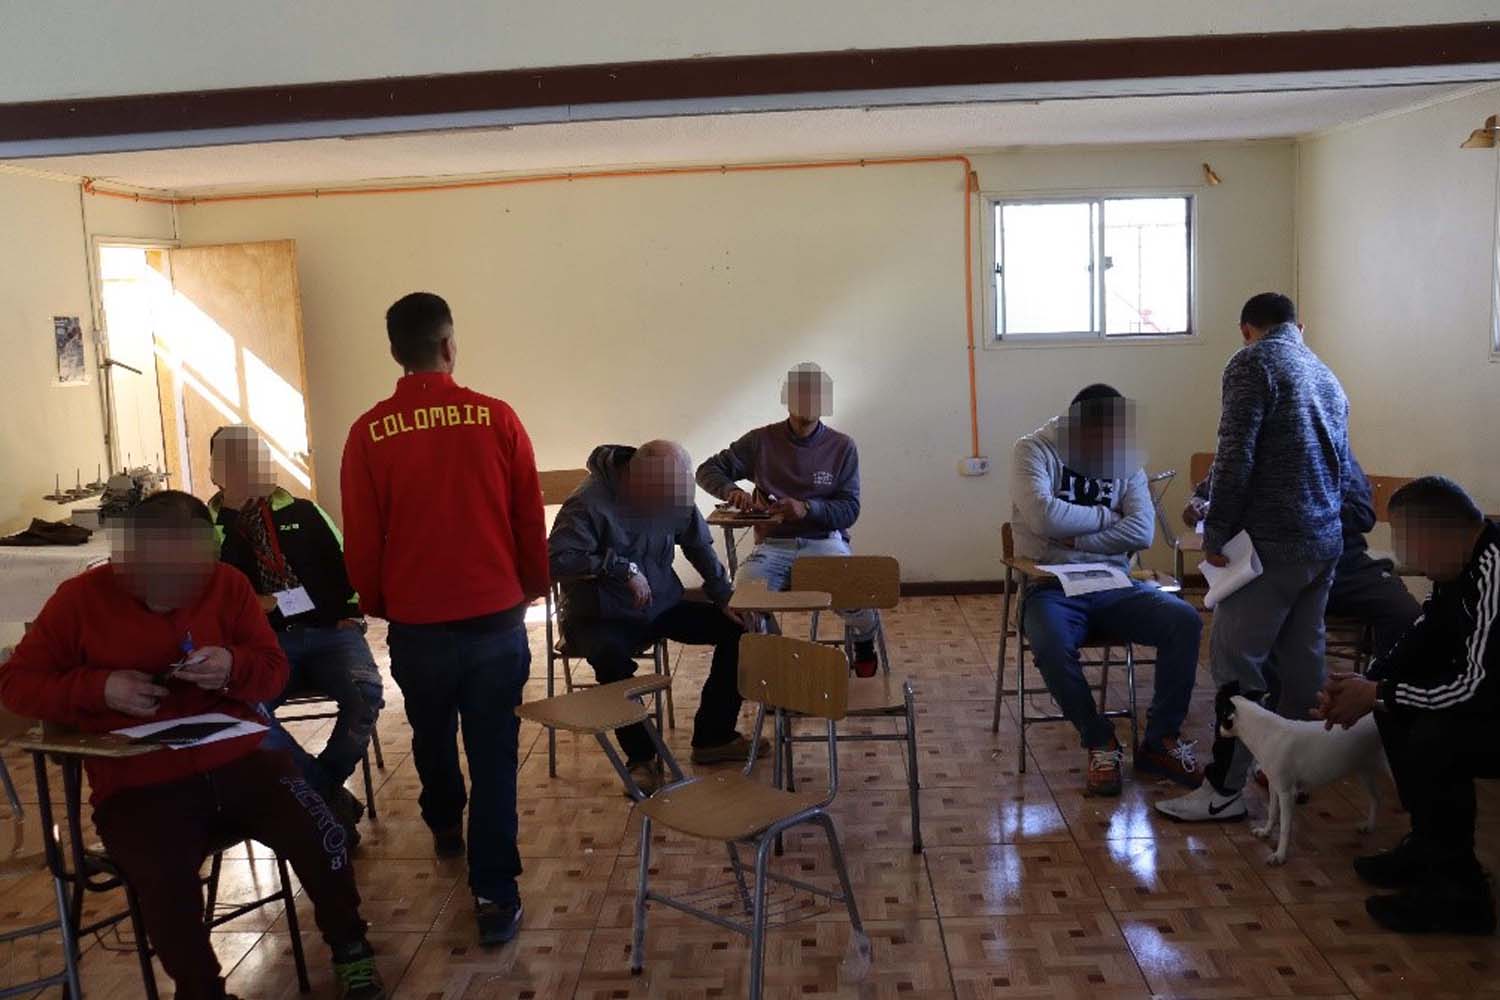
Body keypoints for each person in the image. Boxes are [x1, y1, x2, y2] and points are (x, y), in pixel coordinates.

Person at [0, 491, 384, 1000]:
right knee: (164, 879)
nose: (176, 593)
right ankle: (201, 991)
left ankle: (352, 949)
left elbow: (272, 673)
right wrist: (100, 688)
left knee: (324, 831)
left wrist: (231, 667)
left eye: (190, 577)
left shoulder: (227, 585)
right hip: (139, 782)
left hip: (240, 761)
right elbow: (14, 686)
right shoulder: (79, 600)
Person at [340, 292, 548, 946]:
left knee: (431, 731)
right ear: (449, 345)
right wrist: (531, 589)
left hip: (418, 622)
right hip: (495, 618)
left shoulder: (369, 433)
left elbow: (361, 537)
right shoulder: (497, 418)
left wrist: (380, 601)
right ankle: (495, 892)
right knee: (494, 753)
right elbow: (527, 516)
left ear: (395, 352)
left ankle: (443, 821)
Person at [1158, 292, 1350, 823]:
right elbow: (1335, 465)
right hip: (1322, 545)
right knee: (1303, 666)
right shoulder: (1326, 375)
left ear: (1246, 331)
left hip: (1268, 550)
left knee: (1236, 669)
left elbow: (1237, 451)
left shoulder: (1251, 364)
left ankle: (1223, 791)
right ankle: (1296, 776)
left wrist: (1215, 531)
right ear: (1299, 327)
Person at [1315, 476, 1499, 935]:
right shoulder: (1457, 568)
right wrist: (1370, 684)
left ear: (1439, 534)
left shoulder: (1495, 570)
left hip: (1491, 698)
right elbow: (1426, 633)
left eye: (1405, 538)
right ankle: (1429, 848)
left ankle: (1460, 895)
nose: (1404, 555)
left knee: (1438, 736)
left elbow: (1479, 687)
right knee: (1398, 705)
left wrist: (1378, 693)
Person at [1011, 384, 1204, 797]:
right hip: (1051, 584)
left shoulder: (1125, 460)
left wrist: (1078, 538)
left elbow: (1142, 530)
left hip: (1115, 582)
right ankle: (1100, 741)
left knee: (1184, 620)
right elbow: (1043, 517)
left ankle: (1160, 740)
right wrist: (1108, 516)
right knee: (1049, 642)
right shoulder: (1032, 450)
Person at [550, 440, 762, 793]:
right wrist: (621, 568)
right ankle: (641, 758)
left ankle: (713, 737)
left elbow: (697, 544)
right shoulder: (588, 502)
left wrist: (724, 596)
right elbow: (557, 560)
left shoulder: (669, 490)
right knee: (610, 659)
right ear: (636, 479)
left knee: (739, 629)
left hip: (657, 605)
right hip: (599, 614)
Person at [208, 425, 384, 844]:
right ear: (215, 471)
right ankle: (328, 798)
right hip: (259, 645)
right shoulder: (206, 527)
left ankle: (319, 790)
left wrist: (347, 613)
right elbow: (215, 595)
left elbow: (343, 573)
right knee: (246, 714)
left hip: (330, 633)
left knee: (366, 695)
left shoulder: (304, 512)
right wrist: (232, 516)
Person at [695, 363, 880, 674]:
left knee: (857, 595)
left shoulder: (842, 446)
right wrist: (731, 491)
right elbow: (706, 470)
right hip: (774, 546)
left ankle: (863, 638)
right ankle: (778, 658)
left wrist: (808, 509)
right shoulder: (760, 441)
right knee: (744, 598)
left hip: (825, 543)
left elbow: (850, 509)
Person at [1185, 446, 1420, 661]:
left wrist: (1299, 512)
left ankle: (1380, 687)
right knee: (1246, 630)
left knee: (1403, 612)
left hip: (1340, 565)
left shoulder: (1334, 448)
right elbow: (1205, 495)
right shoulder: (1244, 449)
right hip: (1263, 566)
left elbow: (1362, 514)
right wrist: (1195, 506)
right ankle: (1261, 689)